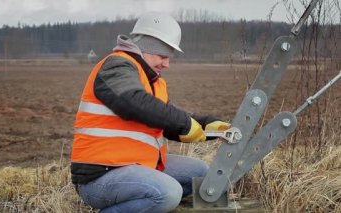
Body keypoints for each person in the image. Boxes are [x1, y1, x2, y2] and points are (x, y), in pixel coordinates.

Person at [71, 12, 231, 213]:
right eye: (162, 56)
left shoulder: (152, 81)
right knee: (167, 193)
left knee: (201, 174)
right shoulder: (116, 65)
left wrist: (208, 124)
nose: (167, 64)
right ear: (144, 48)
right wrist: (185, 123)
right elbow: (134, 102)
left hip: (137, 166)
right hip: (99, 177)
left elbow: (166, 116)